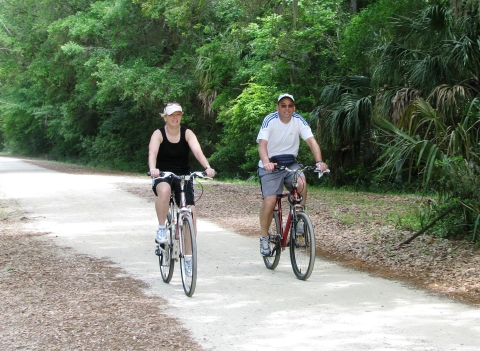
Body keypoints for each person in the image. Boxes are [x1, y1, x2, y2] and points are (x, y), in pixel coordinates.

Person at [257, 93, 328, 256]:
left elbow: (312, 141)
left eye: (290, 105)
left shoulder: (299, 120)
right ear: (277, 107)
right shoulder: (270, 120)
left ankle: (299, 216)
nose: (287, 108)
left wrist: (319, 161)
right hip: (271, 165)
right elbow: (262, 145)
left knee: (301, 183)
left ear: (294, 108)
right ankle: (264, 237)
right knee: (270, 201)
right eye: (283, 105)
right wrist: (266, 162)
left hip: (290, 163)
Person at [148, 102, 215, 273]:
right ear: (165, 117)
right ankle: (162, 227)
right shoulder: (158, 133)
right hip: (163, 175)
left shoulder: (187, 133)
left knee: (190, 212)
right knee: (164, 191)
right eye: (171, 115)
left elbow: (197, 151)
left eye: (178, 114)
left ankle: (188, 259)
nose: (175, 118)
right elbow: (152, 153)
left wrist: (207, 167)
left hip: (183, 176)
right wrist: (153, 169)